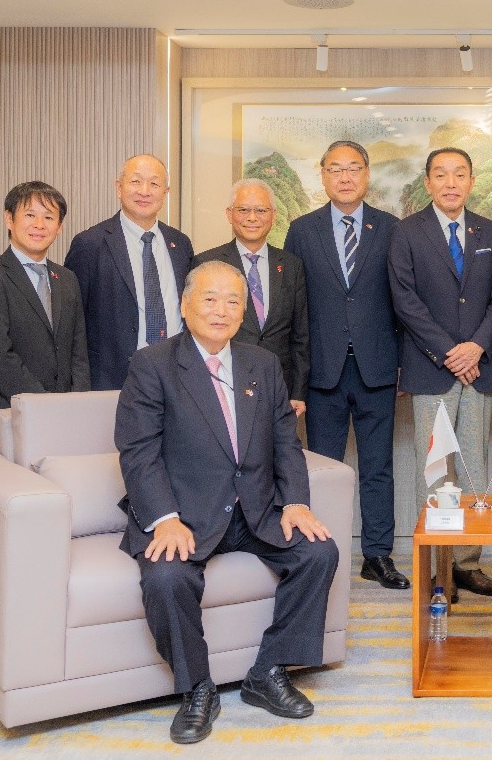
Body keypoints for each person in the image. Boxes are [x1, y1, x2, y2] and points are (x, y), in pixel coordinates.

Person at [115, 261, 338, 745]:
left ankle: (269, 671)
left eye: (233, 301)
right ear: (185, 305)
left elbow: (285, 441)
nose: (221, 310)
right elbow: (138, 452)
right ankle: (197, 688)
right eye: (210, 299)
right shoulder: (152, 364)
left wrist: (295, 502)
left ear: (244, 311)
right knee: (167, 576)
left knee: (319, 552)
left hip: (254, 509)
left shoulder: (262, 363)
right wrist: (165, 519)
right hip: (185, 512)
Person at [389, 147, 492, 597]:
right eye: (441, 174)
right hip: (431, 369)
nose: (450, 182)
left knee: (475, 465)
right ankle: (439, 567)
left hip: (478, 369)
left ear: (471, 180)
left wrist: (476, 347)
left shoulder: (489, 231)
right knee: (437, 470)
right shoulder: (406, 232)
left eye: (460, 173)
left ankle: (467, 563)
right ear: (428, 183)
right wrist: (449, 352)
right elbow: (405, 300)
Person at [284, 140, 406, 589]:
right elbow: (295, 306)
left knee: (378, 467)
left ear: (367, 174)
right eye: (335, 169)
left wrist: (404, 368)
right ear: (322, 175)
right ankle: (323, 554)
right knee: (325, 467)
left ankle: (378, 555)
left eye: (353, 168)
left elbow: (403, 302)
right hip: (322, 370)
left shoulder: (392, 228)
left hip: (377, 366)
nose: (345, 177)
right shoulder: (302, 229)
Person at [0, 181, 89, 448]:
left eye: (49, 217)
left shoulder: (67, 279)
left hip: (63, 420)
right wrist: (44, 406)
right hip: (6, 418)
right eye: (30, 215)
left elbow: (78, 353)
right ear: (9, 219)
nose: (39, 224)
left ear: (59, 228)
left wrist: (77, 407)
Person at [64, 155, 194, 390]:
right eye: (136, 181)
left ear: (165, 193)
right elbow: (72, 322)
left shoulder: (180, 244)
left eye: (154, 184)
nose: (144, 191)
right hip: (112, 380)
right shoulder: (90, 244)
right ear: (119, 188)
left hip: (176, 378)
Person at [194, 178, 309, 416]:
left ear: (273, 215)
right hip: (224, 380)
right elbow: (197, 331)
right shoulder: (207, 263)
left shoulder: (291, 265)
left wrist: (298, 391)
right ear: (229, 214)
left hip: (278, 384)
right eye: (244, 210)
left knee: (275, 451)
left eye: (261, 210)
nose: (252, 218)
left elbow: (300, 335)